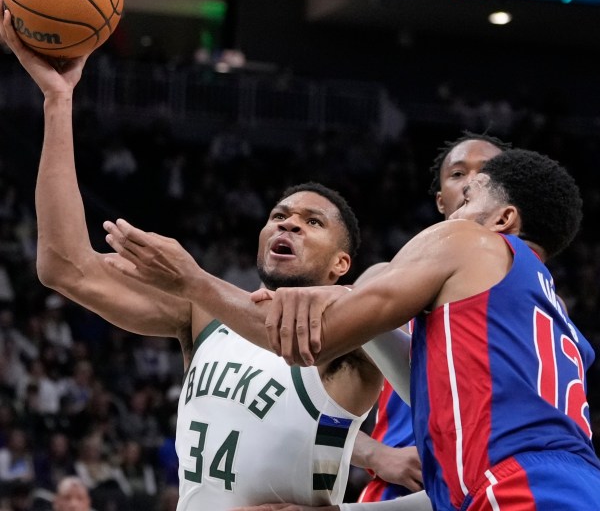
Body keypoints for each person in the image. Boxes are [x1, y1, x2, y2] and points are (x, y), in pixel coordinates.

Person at [0, 4, 382, 510]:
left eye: (313, 222)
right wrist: (57, 100)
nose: (288, 222)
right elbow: (62, 266)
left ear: (341, 263)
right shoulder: (205, 314)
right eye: (280, 214)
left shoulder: (350, 337)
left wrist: (193, 278)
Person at [102, 149, 599, 510]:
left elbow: (309, 340)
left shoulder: (470, 241)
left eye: (469, 197)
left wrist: (190, 278)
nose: (455, 209)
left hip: (519, 492)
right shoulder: (553, 321)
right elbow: (434, 413)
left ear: (503, 219)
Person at [354, 132, 510, 503]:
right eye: (457, 173)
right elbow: (301, 391)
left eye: (487, 172)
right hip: (398, 492)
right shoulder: (381, 280)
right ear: (441, 201)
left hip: (496, 490)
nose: (472, 181)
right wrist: (373, 454)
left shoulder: (538, 296)